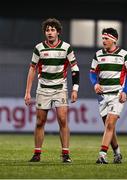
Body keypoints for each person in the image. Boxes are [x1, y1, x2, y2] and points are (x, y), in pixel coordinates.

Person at [24, 18, 79, 163]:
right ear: (45, 32)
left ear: (58, 32)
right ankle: (37, 153)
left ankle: (65, 154)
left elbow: (75, 69)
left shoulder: (66, 48)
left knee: (62, 119)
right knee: (40, 122)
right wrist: (27, 92)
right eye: (47, 30)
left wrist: (75, 89)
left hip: (60, 89)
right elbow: (32, 69)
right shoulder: (39, 48)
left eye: (52, 30)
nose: (49, 32)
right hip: (43, 89)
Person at [89, 28, 127, 164]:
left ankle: (102, 155)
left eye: (106, 38)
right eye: (102, 38)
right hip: (102, 96)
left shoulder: (124, 55)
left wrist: (125, 90)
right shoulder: (98, 55)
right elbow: (92, 72)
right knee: (110, 127)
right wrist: (95, 83)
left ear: (114, 39)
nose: (103, 41)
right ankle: (117, 153)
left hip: (117, 94)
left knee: (110, 123)